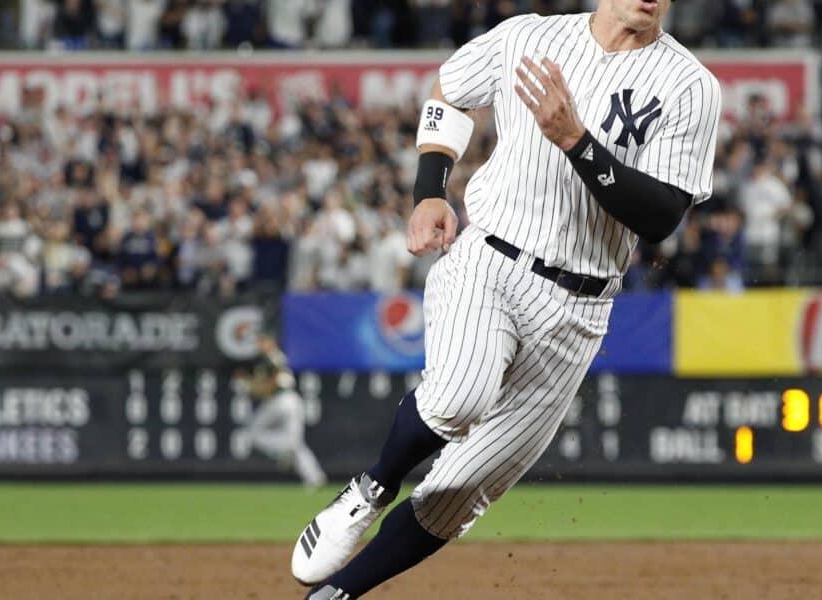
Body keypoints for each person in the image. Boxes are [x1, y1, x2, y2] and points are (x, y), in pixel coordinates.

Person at [291, 1, 722, 598]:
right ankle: (371, 486)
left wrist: (576, 141)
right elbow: (450, 89)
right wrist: (427, 191)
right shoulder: (529, 36)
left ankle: (334, 595)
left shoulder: (690, 86)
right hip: (494, 259)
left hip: (581, 310)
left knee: (459, 493)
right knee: (459, 396)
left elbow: (662, 217)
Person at [236, 336, 327, 489]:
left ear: (271, 342)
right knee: (294, 443)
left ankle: (290, 455)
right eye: (259, 342)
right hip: (286, 401)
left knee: (254, 434)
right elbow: (264, 387)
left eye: (263, 341)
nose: (260, 345)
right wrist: (251, 384)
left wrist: (247, 383)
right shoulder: (269, 360)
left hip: (282, 401)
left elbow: (268, 386)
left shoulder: (273, 358)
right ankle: (314, 477)